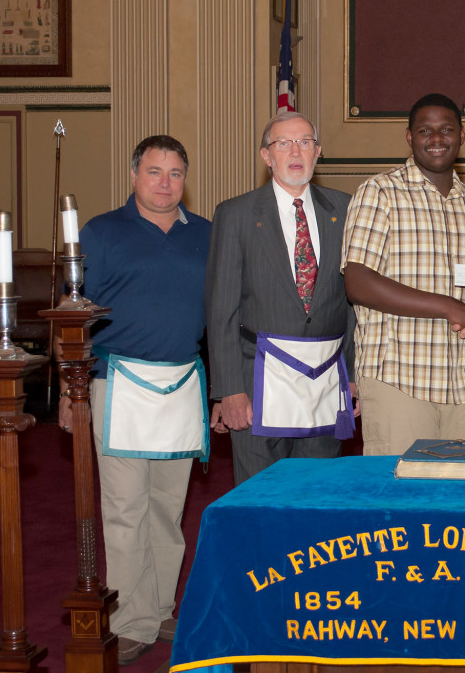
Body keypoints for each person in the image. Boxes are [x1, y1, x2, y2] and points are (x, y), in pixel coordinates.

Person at [58, 135, 212, 666]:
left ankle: (161, 606)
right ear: (133, 176)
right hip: (115, 383)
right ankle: (129, 618)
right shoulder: (101, 233)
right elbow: (71, 316)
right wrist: (66, 387)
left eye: (174, 173)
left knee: (168, 509)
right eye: (154, 171)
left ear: (184, 178)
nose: (164, 183)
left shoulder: (207, 236)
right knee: (125, 509)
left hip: (181, 384)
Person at [342, 92, 465, 455]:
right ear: (409, 137)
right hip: (400, 377)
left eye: (446, 129)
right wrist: (448, 307)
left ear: (462, 136)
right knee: (403, 501)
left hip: (464, 378)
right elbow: (358, 282)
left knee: (461, 500)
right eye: (425, 130)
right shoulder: (379, 192)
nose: (436, 138)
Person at [206, 112, 357, 485]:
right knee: (261, 501)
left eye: (305, 142)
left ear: (317, 152)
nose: (295, 151)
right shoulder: (236, 214)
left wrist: (353, 376)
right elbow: (221, 309)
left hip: (326, 383)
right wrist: (229, 391)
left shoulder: (346, 209)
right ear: (266, 156)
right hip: (257, 383)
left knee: (318, 497)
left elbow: (355, 302)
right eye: (283, 143)